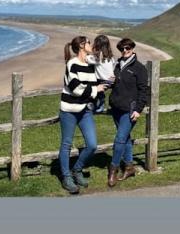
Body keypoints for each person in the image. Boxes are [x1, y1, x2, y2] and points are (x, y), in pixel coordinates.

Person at [57, 36, 109, 194]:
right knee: (66, 144)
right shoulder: (71, 64)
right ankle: (66, 177)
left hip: (85, 110)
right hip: (69, 110)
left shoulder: (90, 62)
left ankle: (77, 169)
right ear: (81, 46)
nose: (90, 44)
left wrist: (101, 44)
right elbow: (75, 88)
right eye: (88, 42)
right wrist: (96, 90)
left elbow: (101, 59)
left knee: (92, 145)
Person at [106, 38, 150, 186]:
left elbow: (144, 91)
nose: (125, 51)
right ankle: (130, 167)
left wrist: (138, 109)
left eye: (128, 48)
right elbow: (116, 84)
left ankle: (113, 170)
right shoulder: (117, 65)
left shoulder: (139, 68)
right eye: (122, 49)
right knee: (125, 138)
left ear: (132, 48)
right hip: (116, 108)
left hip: (129, 110)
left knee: (119, 139)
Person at [86, 35, 116, 114]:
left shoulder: (98, 57)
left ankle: (99, 106)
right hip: (111, 79)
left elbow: (87, 59)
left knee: (94, 90)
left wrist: (89, 50)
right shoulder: (110, 56)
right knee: (99, 92)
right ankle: (100, 105)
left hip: (103, 80)